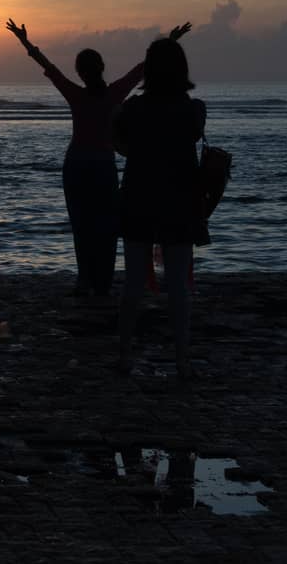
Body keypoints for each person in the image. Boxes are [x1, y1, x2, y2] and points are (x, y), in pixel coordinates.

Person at [7, 18, 190, 297]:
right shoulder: (114, 93)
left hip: (77, 165)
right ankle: (101, 281)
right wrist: (172, 40)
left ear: (80, 72)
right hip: (102, 165)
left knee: (82, 225)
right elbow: (142, 69)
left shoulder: (77, 94)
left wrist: (24, 41)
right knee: (105, 225)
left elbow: (49, 68)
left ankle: (85, 279)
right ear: (101, 68)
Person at [114, 37, 207, 380]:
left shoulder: (134, 109)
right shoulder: (193, 110)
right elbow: (195, 135)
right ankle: (182, 359)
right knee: (179, 284)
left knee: (134, 283)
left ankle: (125, 355)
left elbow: (121, 145)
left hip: (139, 196)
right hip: (179, 199)